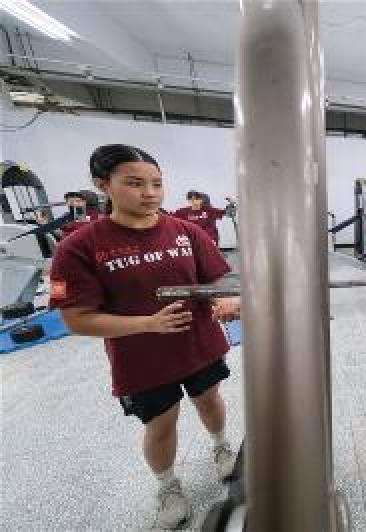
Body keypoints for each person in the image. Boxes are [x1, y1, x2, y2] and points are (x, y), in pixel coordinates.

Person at [48, 144, 240, 529]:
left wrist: (224, 298)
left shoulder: (187, 232)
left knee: (209, 399)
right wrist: (145, 324)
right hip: (142, 359)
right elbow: (76, 319)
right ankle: (167, 486)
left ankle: (221, 448)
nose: (150, 192)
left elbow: (220, 278)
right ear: (103, 185)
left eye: (156, 183)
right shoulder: (77, 248)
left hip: (198, 343)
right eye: (135, 183)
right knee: (161, 424)